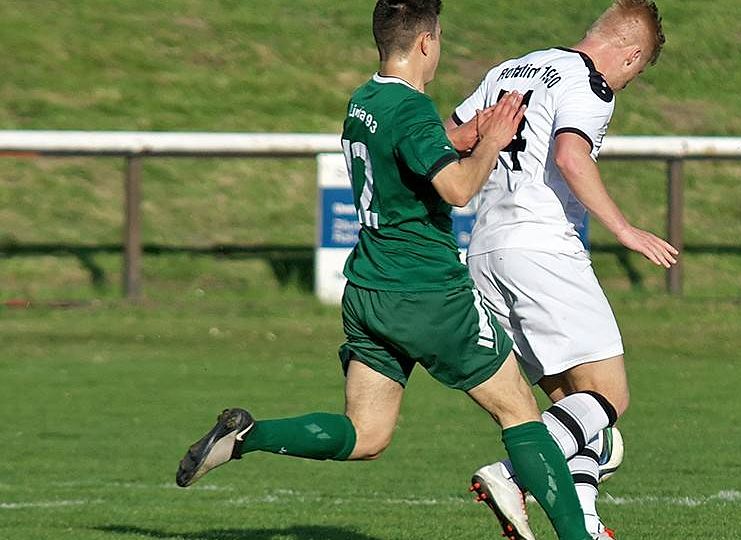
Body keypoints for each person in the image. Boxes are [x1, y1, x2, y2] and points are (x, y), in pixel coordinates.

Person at [174, 1, 593, 539]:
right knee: (520, 414)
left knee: (366, 434)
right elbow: (458, 190)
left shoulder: (364, 100)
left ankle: (247, 436)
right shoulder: (413, 110)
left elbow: (404, 155)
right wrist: (490, 141)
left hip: (369, 292)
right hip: (427, 293)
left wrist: (461, 138)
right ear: (426, 42)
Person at [444, 1, 676, 538]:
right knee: (610, 396)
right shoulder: (589, 83)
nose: (628, 82)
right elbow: (571, 157)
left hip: (485, 251)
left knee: (575, 406)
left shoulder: (510, 69)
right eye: (636, 73)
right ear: (631, 55)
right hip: (542, 248)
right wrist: (626, 230)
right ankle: (509, 474)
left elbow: (450, 137)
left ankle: (587, 526)